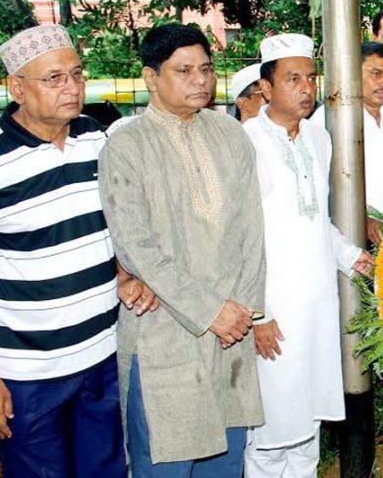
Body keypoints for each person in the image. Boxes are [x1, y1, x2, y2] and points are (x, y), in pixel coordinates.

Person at [99, 24, 266, 476]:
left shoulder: (232, 136)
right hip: (164, 335)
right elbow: (136, 248)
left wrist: (242, 311)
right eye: (184, 70)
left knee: (226, 463)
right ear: (151, 78)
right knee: (165, 461)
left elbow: (253, 232)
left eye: (207, 69)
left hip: (230, 331)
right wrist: (210, 311)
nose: (201, 80)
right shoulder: (126, 145)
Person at [0, 25, 128, 476]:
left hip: (102, 355)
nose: (72, 88)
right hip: (27, 373)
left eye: (77, 75)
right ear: (17, 88)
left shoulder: (95, 139)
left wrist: (127, 271)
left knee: (104, 469)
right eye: (54, 79)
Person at [242, 34, 372, 477]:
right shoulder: (245, 143)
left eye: (310, 77)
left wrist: (353, 256)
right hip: (273, 312)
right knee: (271, 426)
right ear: (265, 88)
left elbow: (316, 223)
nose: (306, 88)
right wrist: (257, 314)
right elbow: (241, 239)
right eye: (292, 78)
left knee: (310, 417)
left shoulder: (319, 139)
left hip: (317, 305)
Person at [312, 42, 383, 246]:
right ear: (354, 72)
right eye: (376, 73)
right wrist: (359, 218)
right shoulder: (330, 118)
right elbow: (317, 181)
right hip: (349, 234)